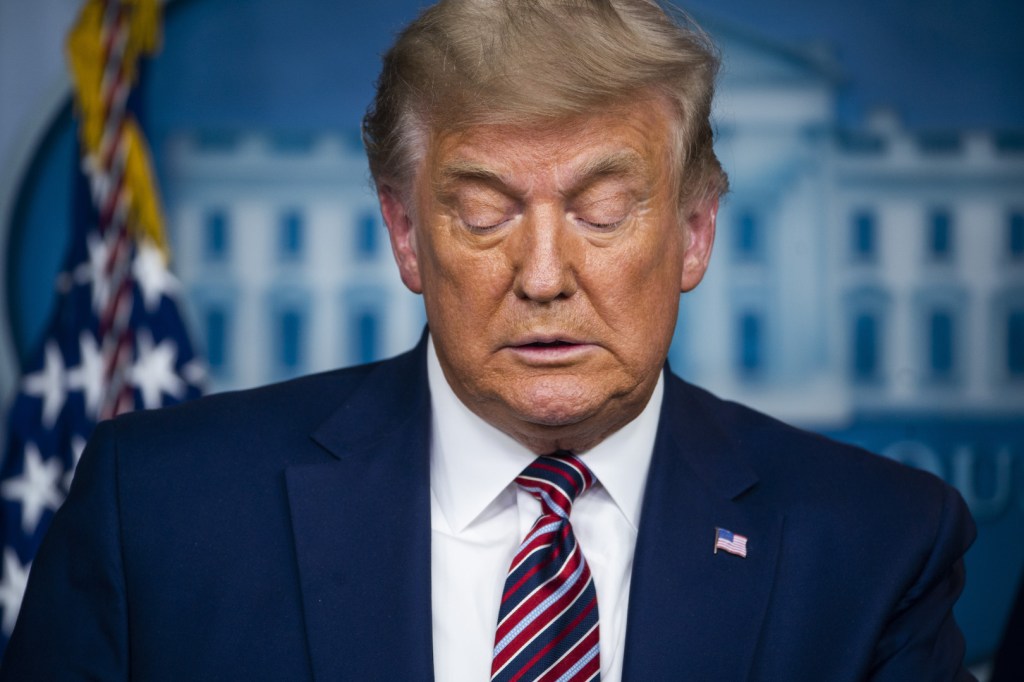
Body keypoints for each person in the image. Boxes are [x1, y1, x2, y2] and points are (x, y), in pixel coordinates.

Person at [2, 0, 976, 680]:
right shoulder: (163, 512)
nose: (544, 273)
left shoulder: (874, 546)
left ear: (693, 233)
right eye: (482, 211)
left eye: (602, 210)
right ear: (403, 234)